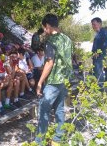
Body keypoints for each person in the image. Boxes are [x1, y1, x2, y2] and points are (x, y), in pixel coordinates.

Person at [35, 14, 73, 146]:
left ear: (49, 26)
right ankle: (58, 139)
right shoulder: (67, 39)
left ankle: (39, 142)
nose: (45, 30)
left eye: (45, 28)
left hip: (54, 80)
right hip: (65, 79)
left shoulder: (51, 41)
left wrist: (39, 82)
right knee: (59, 108)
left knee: (43, 110)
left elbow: (50, 63)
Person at [91, 17, 107, 87]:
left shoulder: (103, 32)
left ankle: (100, 89)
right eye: (92, 25)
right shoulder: (99, 33)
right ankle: (97, 88)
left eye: (94, 24)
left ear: (100, 24)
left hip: (100, 57)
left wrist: (98, 53)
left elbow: (105, 44)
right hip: (96, 57)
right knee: (96, 72)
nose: (93, 26)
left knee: (99, 73)